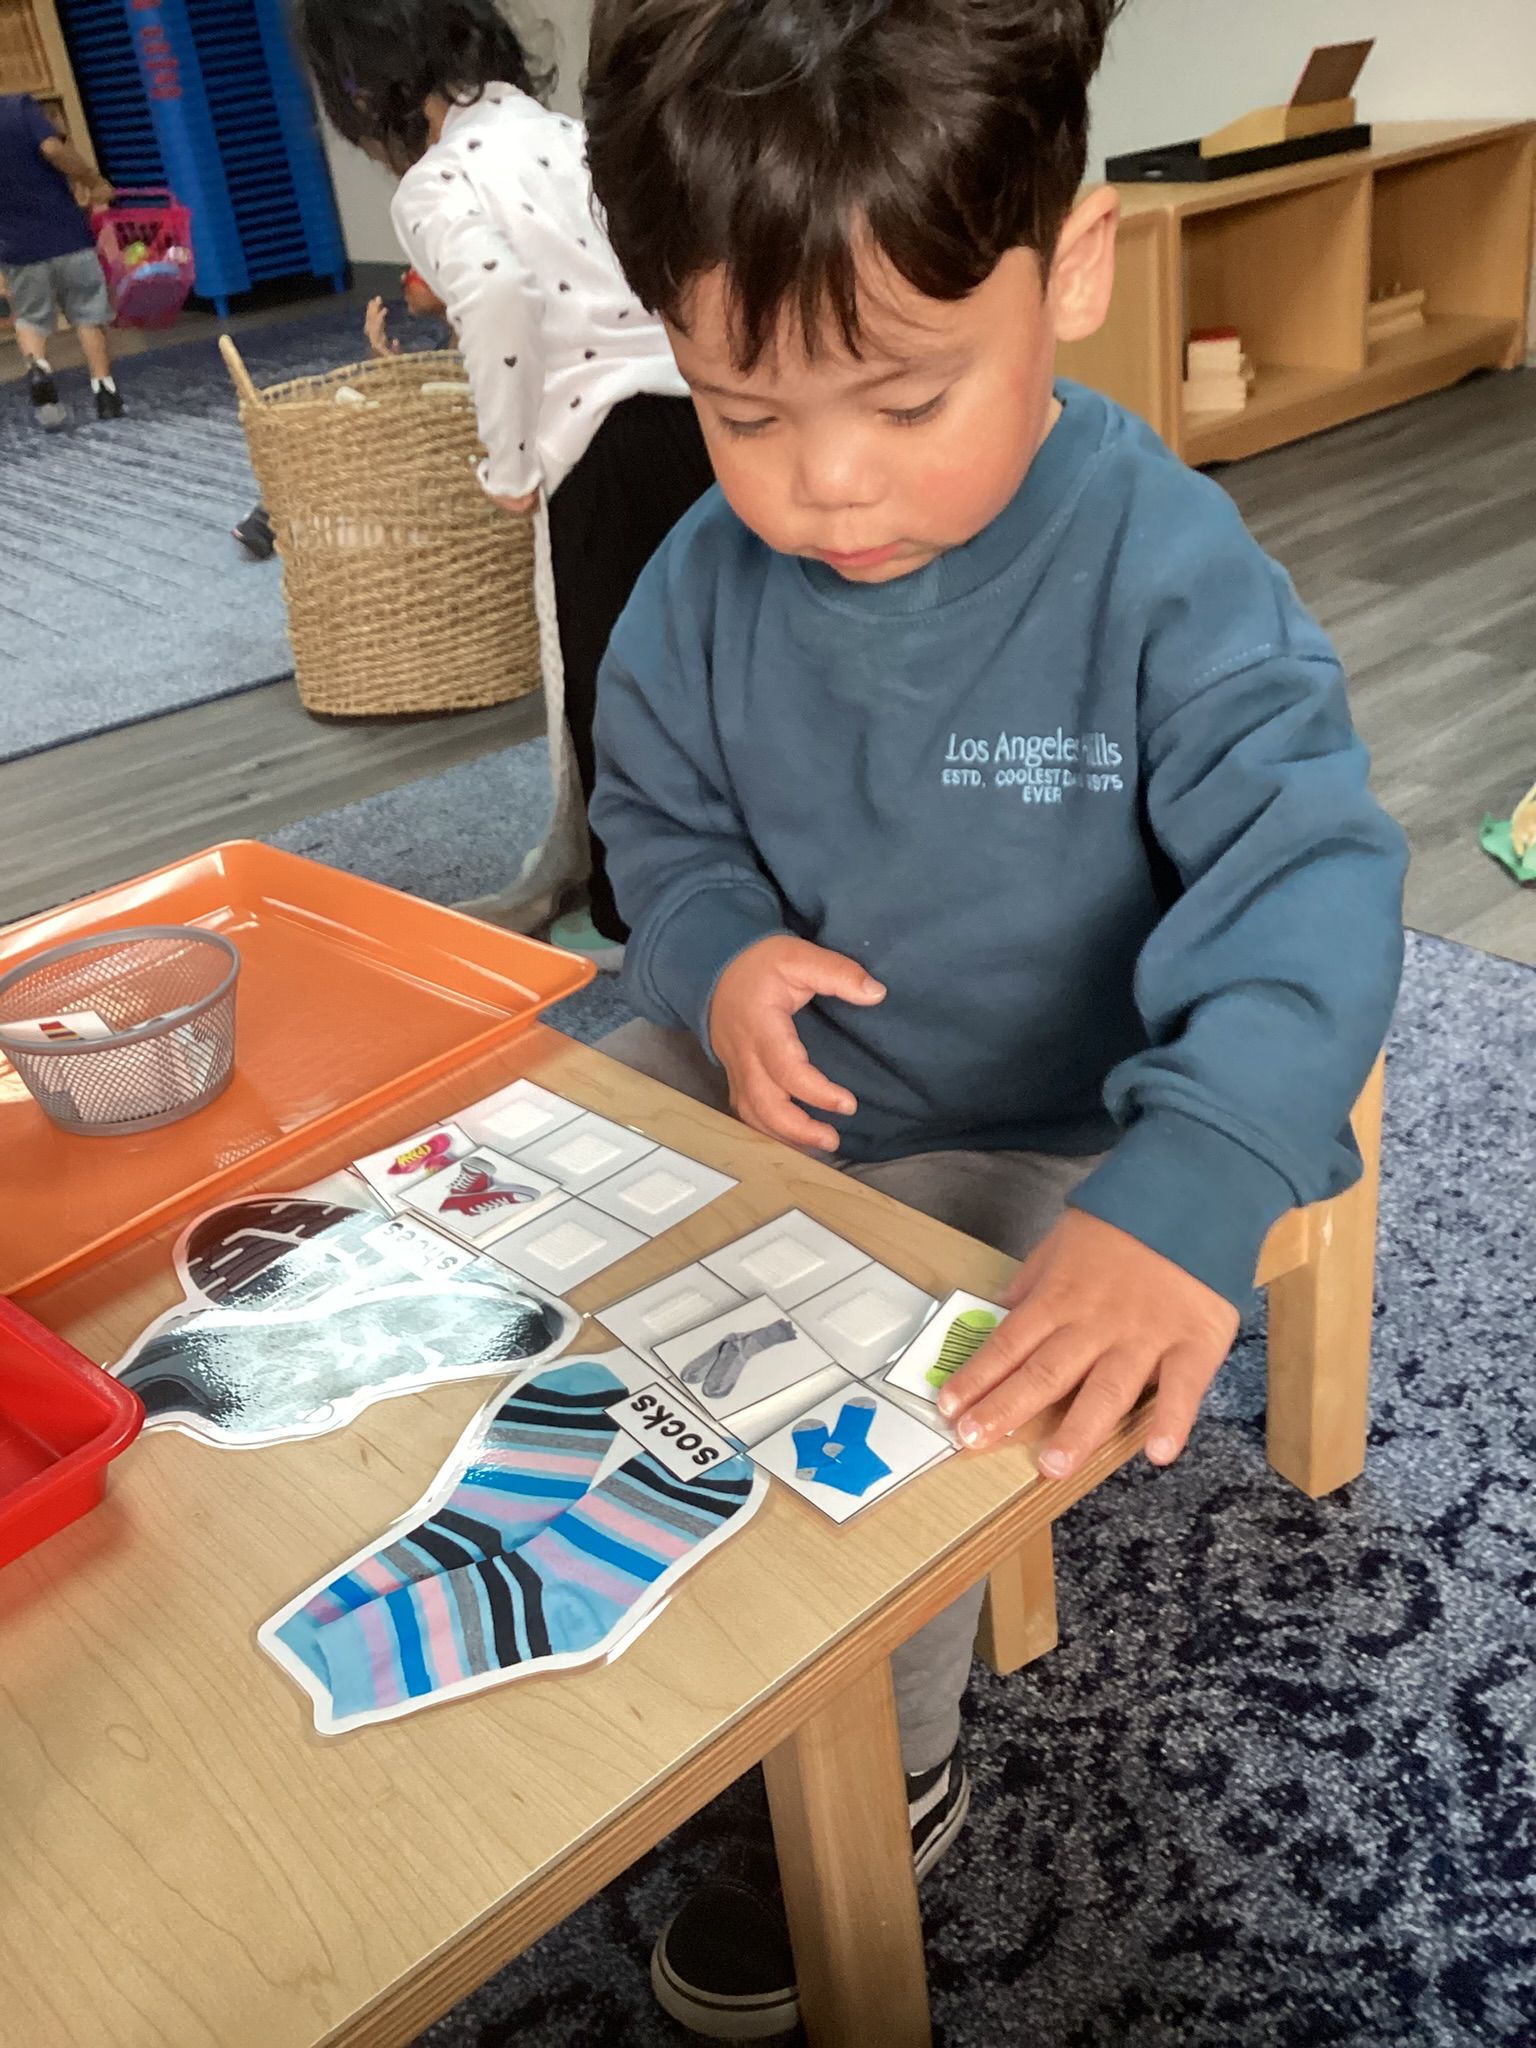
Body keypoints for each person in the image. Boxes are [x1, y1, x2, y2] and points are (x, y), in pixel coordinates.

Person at [581, 0, 1409, 2033]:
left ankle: (882, 1769)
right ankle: (609, 1580)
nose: (825, 483)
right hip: (800, 1080)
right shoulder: (696, 584)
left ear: (1076, 270)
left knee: (895, 1388)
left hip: (1068, 1125)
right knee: (538, 1149)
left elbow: (1311, 871)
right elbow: (657, 825)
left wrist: (1189, 1179)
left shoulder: (1163, 565)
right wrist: (717, 953)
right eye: (742, 409)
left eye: (904, 394)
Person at [290, 0, 715, 969]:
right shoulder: (575, 138)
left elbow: (493, 290)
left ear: (364, 92)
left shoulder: (438, 180)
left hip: (597, 446)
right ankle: (690, 865)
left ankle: (625, 912)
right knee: (703, 656)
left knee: (609, 686)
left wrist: (510, 463)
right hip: (697, 419)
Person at [232, 283, 448, 561]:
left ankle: (274, 513)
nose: (406, 278)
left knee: (353, 426)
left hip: (447, 455)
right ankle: (277, 509)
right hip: (429, 436)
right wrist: (388, 365)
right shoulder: (454, 337)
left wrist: (395, 374)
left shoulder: (474, 340)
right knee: (346, 408)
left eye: (419, 273)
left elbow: (445, 412)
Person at [0, 93, 122, 430]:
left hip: (18, 246)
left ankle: (39, 369)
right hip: (67, 234)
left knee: (31, 318)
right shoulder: (17, 107)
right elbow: (53, 149)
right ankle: (105, 393)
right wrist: (93, 180)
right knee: (88, 313)